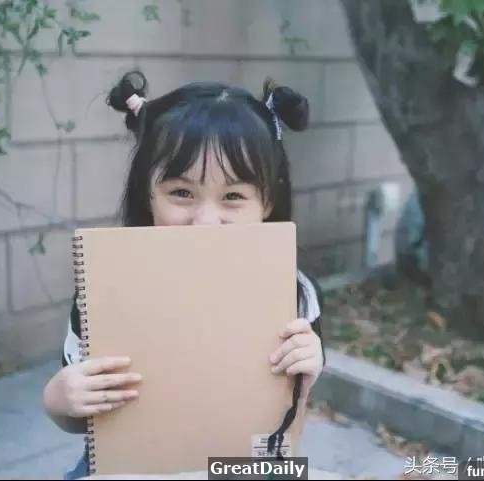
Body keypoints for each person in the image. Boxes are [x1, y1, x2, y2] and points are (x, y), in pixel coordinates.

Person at [41, 71, 326, 479]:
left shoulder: (295, 292)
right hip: (133, 469)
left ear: (267, 200)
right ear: (148, 192)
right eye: (181, 193)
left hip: (242, 469)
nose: (205, 220)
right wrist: (59, 399)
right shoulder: (106, 288)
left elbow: (287, 420)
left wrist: (306, 374)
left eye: (233, 196)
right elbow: (80, 420)